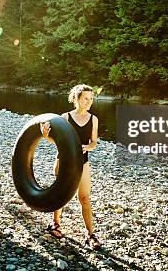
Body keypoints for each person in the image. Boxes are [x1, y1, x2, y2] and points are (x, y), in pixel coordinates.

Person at [40, 84, 102, 249]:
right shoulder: (65, 118)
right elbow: (58, 141)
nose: (89, 102)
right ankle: (55, 224)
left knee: (84, 198)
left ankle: (90, 234)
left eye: (91, 99)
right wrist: (46, 137)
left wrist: (88, 147)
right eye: (86, 99)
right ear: (77, 99)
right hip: (64, 161)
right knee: (61, 195)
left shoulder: (93, 119)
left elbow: (94, 142)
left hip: (83, 162)